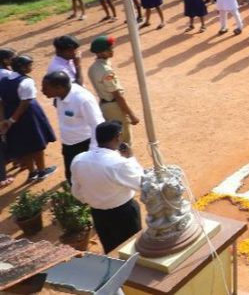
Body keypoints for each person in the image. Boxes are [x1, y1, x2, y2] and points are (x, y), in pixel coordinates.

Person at [71, 121, 143, 253]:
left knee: (111, 250)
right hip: (124, 214)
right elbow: (142, 183)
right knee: (132, 249)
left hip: (99, 214)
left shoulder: (79, 159)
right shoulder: (119, 164)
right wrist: (131, 158)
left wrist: (96, 201)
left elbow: (77, 191)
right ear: (118, 136)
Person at [0, 54, 57, 183]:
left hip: (11, 115)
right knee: (37, 145)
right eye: (29, 65)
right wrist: (12, 120)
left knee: (23, 146)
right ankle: (42, 171)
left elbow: (1, 102)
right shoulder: (26, 81)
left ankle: (32, 173)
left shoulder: (4, 80)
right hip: (29, 117)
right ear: (23, 68)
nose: (31, 67)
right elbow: (25, 103)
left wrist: (5, 119)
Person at [41, 70, 104, 181]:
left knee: (88, 179)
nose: (42, 91)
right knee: (72, 177)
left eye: (46, 88)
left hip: (85, 145)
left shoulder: (83, 99)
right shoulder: (60, 95)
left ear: (59, 87)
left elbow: (97, 125)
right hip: (69, 144)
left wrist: (93, 151)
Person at [87, 36, 140, 146]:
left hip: (104, 105)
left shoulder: (93, 67)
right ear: (101, 52)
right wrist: (131, 115)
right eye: (109, 49)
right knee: (124, 141)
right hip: (114, 106)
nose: (112, 51)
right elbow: (117, 95)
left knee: (113, 138)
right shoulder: (106, 71)